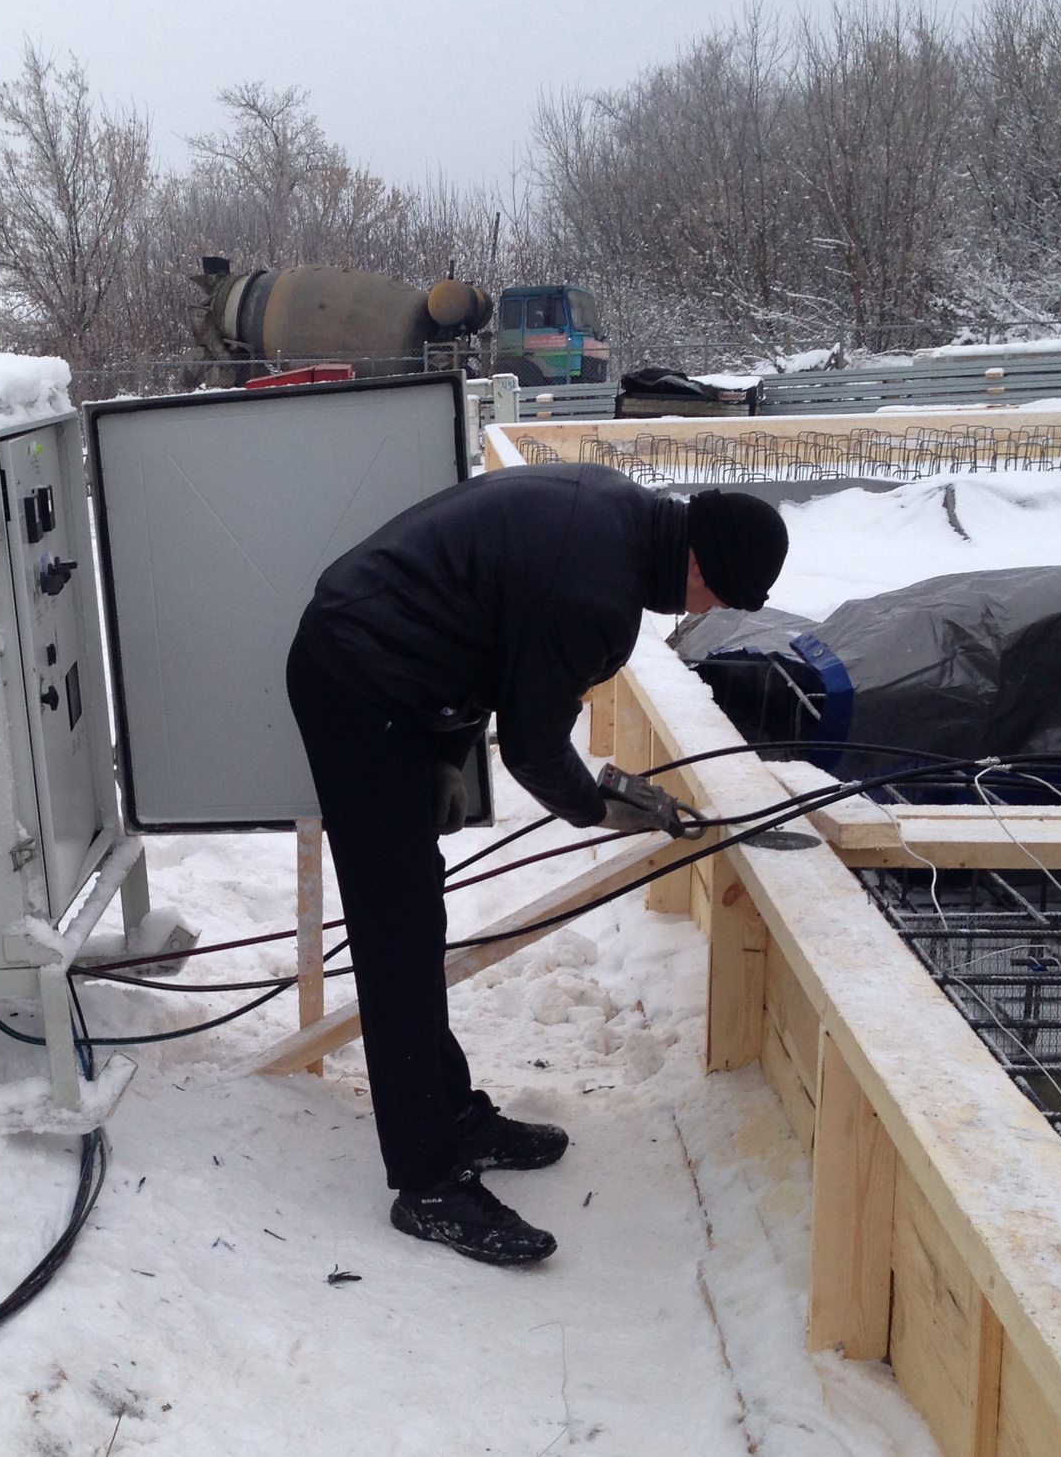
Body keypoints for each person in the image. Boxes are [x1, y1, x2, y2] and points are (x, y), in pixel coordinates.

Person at [285, 463, 788, 1266]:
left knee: (417, 911)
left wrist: (447, 755)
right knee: (397, 925)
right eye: (721, 597)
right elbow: (531, 742)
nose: (712, 612)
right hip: (355, 674)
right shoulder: (598, 589)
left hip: (397, 667)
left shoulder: (622, 517)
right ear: (701, 566)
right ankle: (426, 1180)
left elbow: (484, 628)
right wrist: (597, 808)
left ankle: (450, 1116)